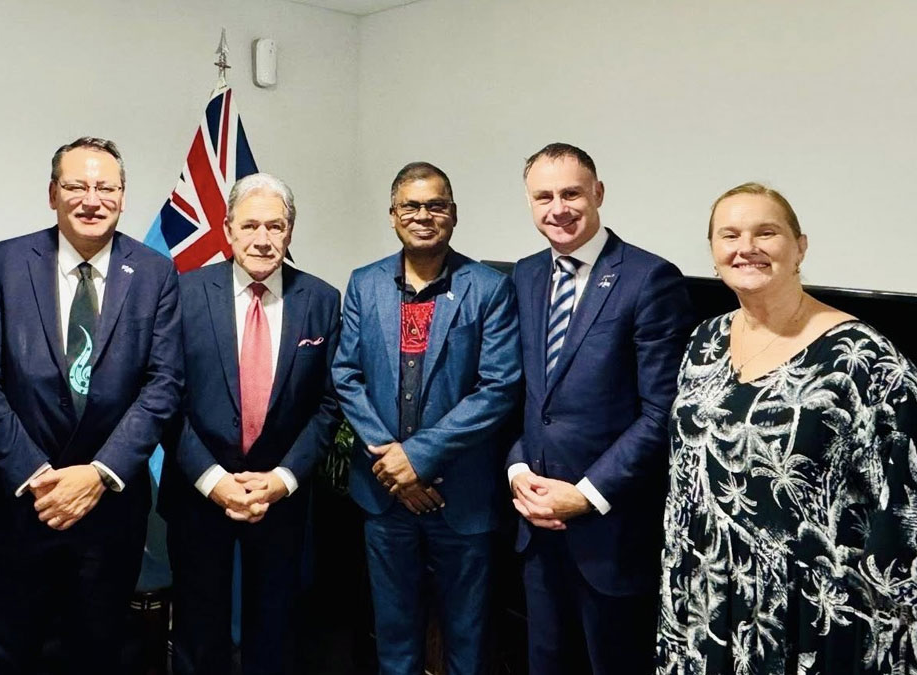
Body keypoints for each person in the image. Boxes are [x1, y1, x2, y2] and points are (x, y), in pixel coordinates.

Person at [656, 183, 917, 674]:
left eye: (766, 233)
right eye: (729, 235)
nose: (746, 247)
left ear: (800, 247)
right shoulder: (704, 339)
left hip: (812, 612)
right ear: (712, 251)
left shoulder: (863, 357)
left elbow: (904, 503)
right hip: (707, 590)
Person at [0, 137, 183, 674]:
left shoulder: (154, 272)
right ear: (52, 193)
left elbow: (163, 385)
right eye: (77, 186)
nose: (91, 199)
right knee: (6, 653)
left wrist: (98, 473)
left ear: (122, 196)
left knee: (97, 652)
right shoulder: (0, 265)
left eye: (106, 187)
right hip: (20, 503)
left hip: (109, 507)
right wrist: (39, 477)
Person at [507, 143, 694, 675]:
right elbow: (527, 398)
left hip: (610, 533)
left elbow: (662, 412)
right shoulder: (525, 275)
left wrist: (586, 494)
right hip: (536, 523)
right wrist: (518, 469)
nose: (558, 209)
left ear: (598, 193)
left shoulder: (649, 278)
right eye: (543, 197)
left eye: (571, 193)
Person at [333, 162, 522, 675]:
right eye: (411, 206)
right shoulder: (365, 283)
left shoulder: (489, 288)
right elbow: (346, 374)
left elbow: (498, 388)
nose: (423, 215)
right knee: (394, 638)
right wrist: (394, 467)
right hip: (384, 496)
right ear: (393, 215)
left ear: (453, 214)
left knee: (468, 640)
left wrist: (415, 459)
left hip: (461, 496)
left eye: (436, 205)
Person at [159, 173, 342, 675]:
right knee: (198, 635)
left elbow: (329, 404)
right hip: (199, 493)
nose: (263, 238)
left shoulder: (322, 299)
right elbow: (164, 398)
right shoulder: (182, 292)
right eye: (250, 225)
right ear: (227, 229)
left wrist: (282, 479)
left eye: (275, 226)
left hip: (280, 500)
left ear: (290, 231)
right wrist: (213, 480)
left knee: (276, 634)